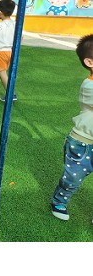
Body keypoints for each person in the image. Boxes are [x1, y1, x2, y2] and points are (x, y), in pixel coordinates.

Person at [49, 34, 93, 222]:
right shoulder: (89, 86)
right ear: (90, 62)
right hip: (83, 143)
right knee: (72, 179)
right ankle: (59, 201)